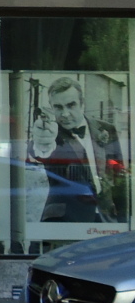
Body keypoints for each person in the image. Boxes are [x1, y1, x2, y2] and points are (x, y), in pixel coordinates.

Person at [38, 77, 128, 222]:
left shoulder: (106, 129)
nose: (65, 114)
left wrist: (124, 219)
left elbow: (119, 177)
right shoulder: (50, 133)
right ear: (51, 107)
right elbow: (37, 150)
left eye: (71, 105)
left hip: (106, 218)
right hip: (64, 220)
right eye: (58, 107)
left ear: (82, 103)